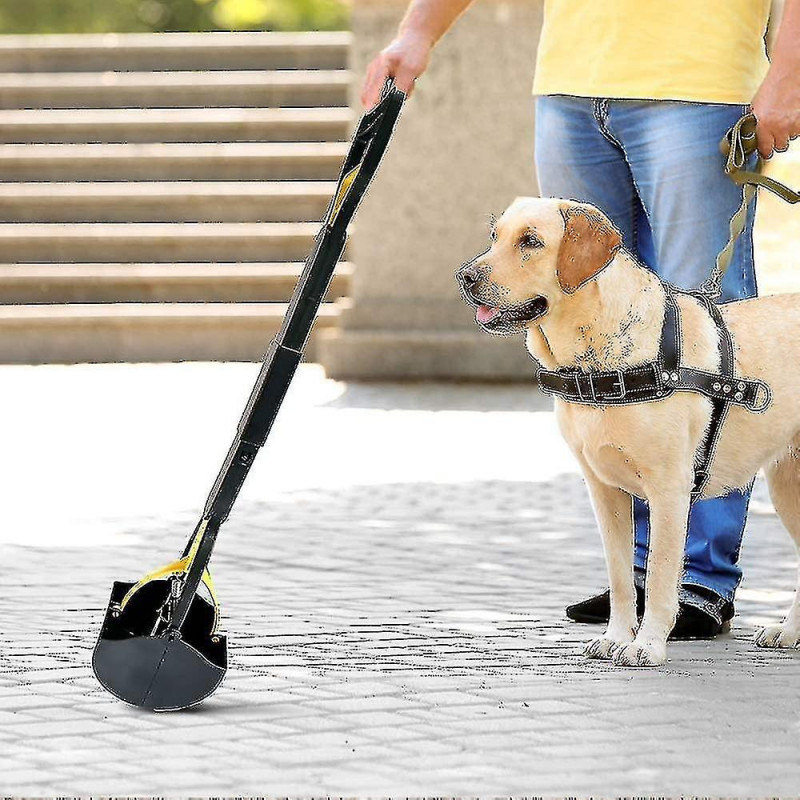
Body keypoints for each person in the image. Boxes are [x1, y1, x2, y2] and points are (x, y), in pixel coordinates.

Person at [361, 0, 800, 637]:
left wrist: (787, 72)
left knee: (705, 338)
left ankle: (697, 579)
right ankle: (643, 576)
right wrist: (416, 31)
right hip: (570, 86)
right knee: (585, 317)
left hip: (699, 85)